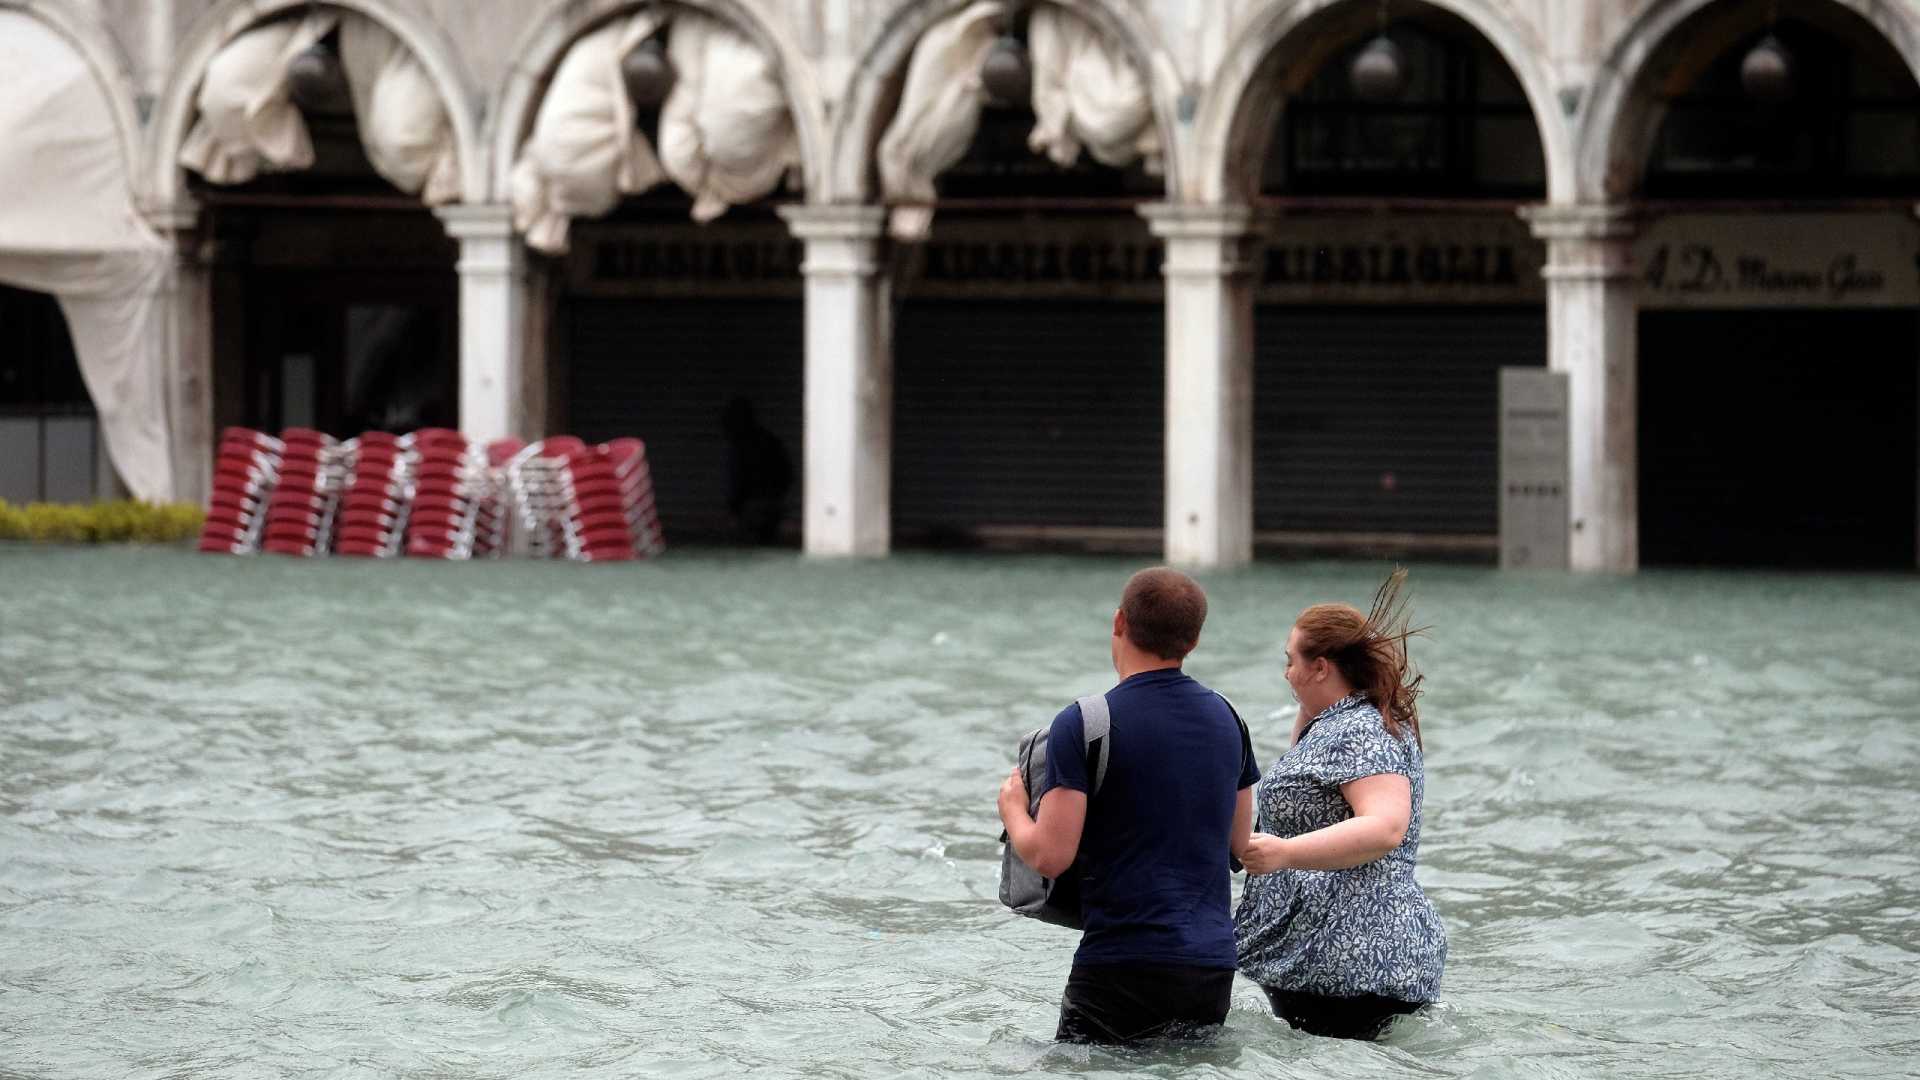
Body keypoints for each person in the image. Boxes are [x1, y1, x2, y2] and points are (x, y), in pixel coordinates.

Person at [997, 567, 1261, 1045]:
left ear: (1119, 622)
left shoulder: (1084, 722)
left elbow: (1050, 855)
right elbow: (1239, 845)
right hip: (1211, 966)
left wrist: (1013, 810)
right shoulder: (1229, 718)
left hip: (1122, 960)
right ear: (1194, 640)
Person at [1233, 569, 1446, 1040]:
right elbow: (1305, 781)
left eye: (1291, 661)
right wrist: (1308, 702)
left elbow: (1386, 827)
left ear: (1322, 667)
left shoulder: (1359, 731)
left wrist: (1284, 854)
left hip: (1353, 960)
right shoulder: (1344, 721)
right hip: (1341, 959)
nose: (1286, 672)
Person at [722, 396, 792, 544]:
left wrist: (734, 509)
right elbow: (787, 473)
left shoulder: (743, 446)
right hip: (768, 504)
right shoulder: (768, 441)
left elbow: (737, 479)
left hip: (754, 506)